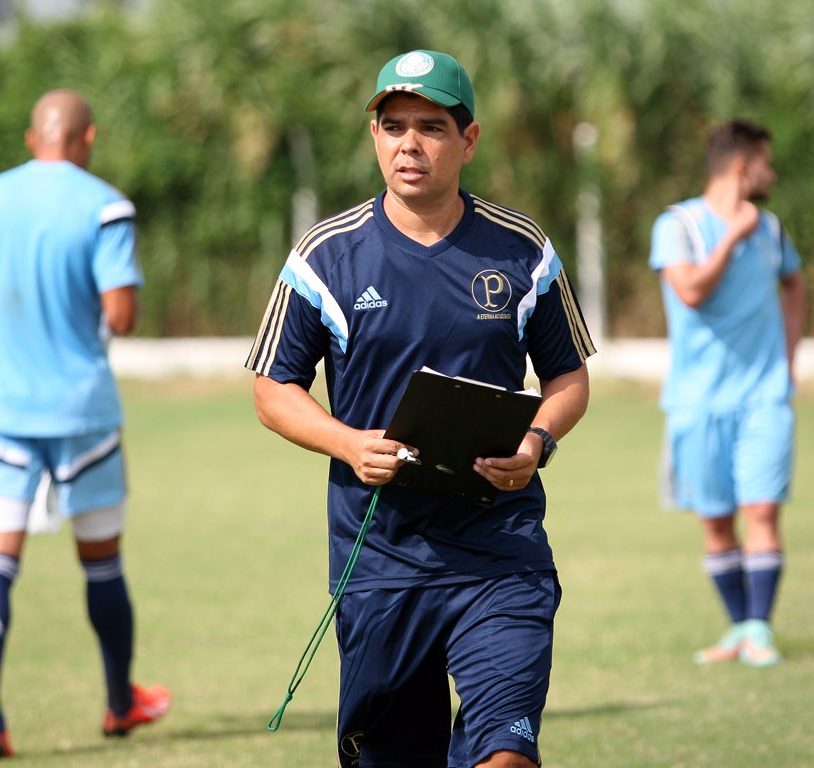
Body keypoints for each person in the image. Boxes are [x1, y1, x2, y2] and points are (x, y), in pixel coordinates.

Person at [246, 50, 595, 768]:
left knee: (507, 754)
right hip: (381, 562)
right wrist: (348, 444)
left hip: (501, 553)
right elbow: (271, 389)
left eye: (431, 127)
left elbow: (569, 378)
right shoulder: (325, 258)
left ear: (468, 141)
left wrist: (534, 444)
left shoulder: (521, 250)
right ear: (373, 135)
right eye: (393, 125)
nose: (410, 144)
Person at [0, 89, 171, 759]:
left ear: (28, 135)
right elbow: (121, 316)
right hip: (83, 412)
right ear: (87, 138)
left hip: (3, 411)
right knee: (102, 563)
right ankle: (120, 703)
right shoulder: (104, 205)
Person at [649, 119, 806, 668]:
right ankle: (739, 627)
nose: (773, 173)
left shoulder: (771, 228)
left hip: (765, 398)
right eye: (766, 162)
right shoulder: (678, 226)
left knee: (761, 512)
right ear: (742, 167)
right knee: (716, 521)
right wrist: (732, 238)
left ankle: (760, 630)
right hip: (696, 403)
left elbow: (795, 283)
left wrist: (788, 360)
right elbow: (689, 291)